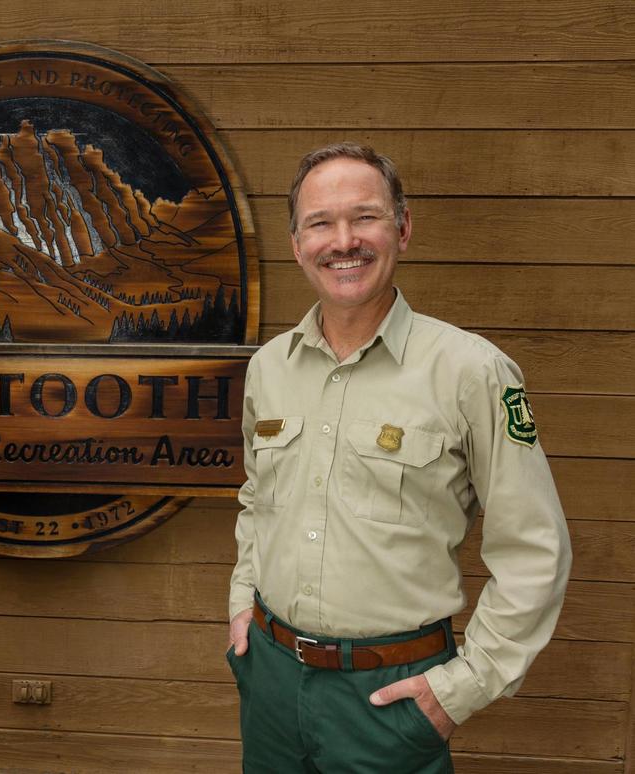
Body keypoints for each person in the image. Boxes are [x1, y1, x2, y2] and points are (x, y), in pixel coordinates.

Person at [226, 143, 571, 772]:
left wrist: (460, 688)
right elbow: (258, 501)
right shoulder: (268, 368)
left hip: (389, 697)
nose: (343, 241)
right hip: (270, 683)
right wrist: (241, 604)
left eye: (366, 217)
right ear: (296, 241)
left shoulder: (472, 370)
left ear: (403, 229)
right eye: (320, 223)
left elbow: (536, 549)